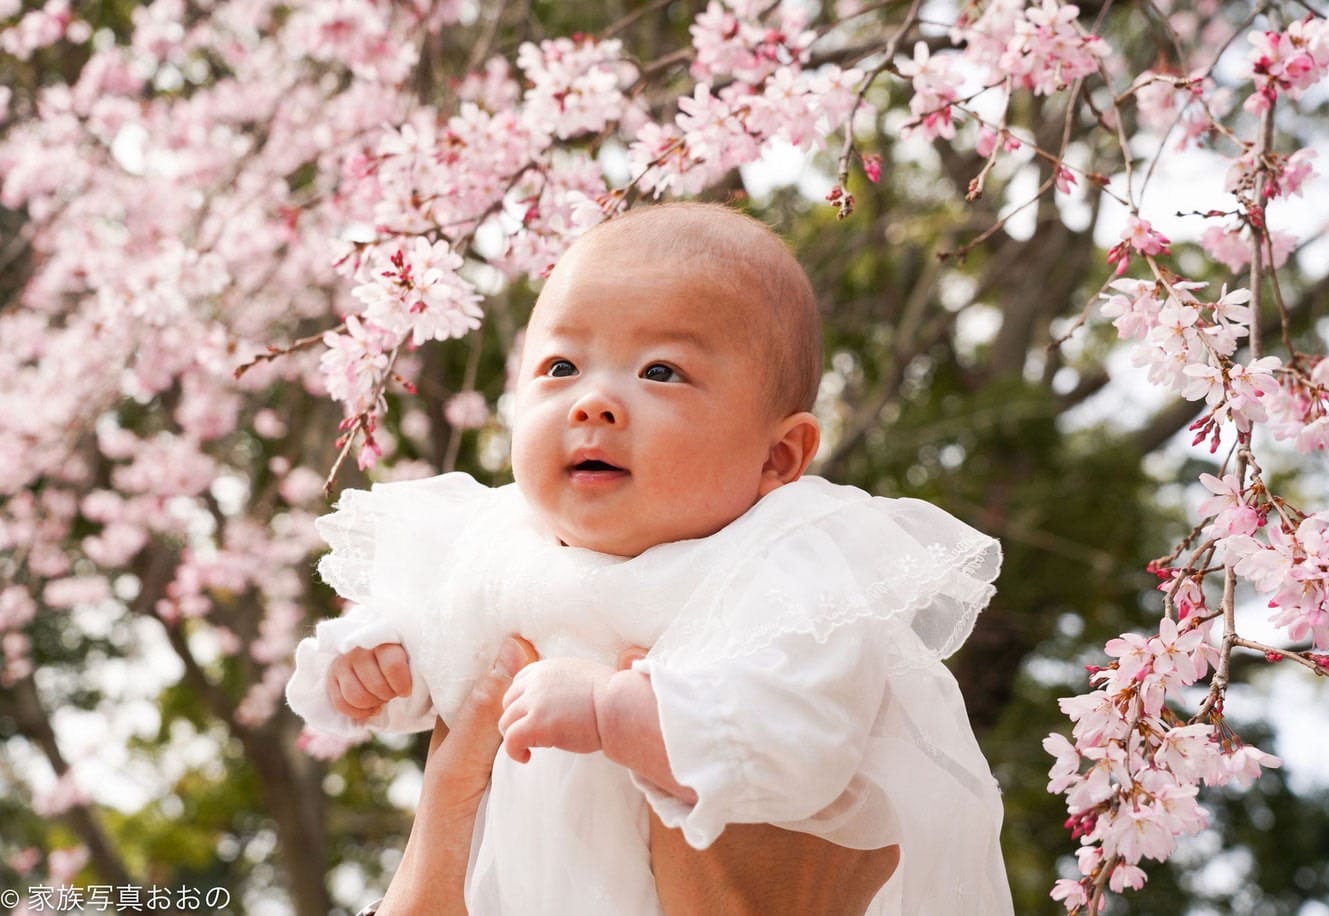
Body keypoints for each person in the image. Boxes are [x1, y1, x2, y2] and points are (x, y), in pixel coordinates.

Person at [287, 202, 1013, 914]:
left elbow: (802, 737)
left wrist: (621, 714)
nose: (594, 402)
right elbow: (441, 648)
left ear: (778, 455)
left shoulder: (786, 556)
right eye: (562, 365)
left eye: (660, 372)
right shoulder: (495, 536)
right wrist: (381, 665)